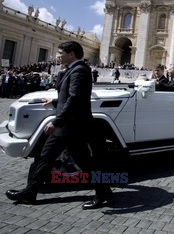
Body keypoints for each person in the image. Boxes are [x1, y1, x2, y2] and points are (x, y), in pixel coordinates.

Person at [5, 41, 112, 209]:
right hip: (68, 125)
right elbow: (71, 95)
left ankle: (103, 191)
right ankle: (30, 192)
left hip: (72, 126)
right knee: (47, 157)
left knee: (84, 163)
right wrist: (55, 100)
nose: (57, 55)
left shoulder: (79, 71)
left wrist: (57, 121)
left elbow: (75, 98)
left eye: (61, 52)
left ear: (72, 54)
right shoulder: (73, 70)